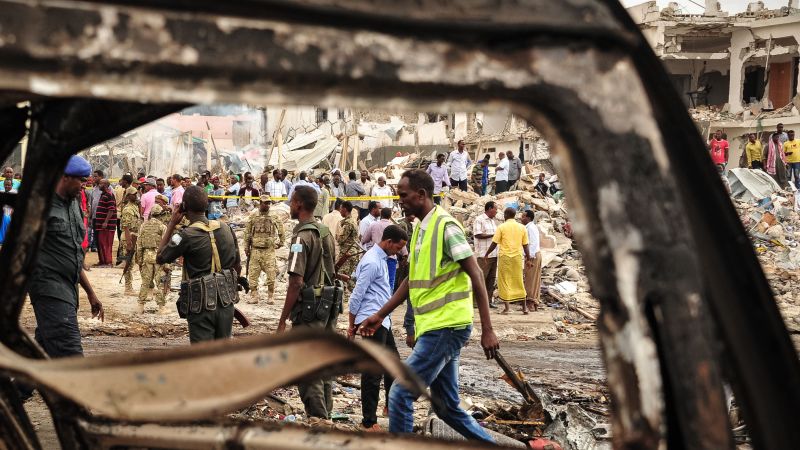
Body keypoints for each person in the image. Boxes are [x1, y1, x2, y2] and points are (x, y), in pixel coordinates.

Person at [356, 169, 499, 443]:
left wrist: (488, 329)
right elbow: (413, 280)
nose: (400, 201)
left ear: (421, 195)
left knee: (400, 393)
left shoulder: (447, 227)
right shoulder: (421, 228)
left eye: (404, 195)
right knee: (447, 408)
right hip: (433, 326)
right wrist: (379, 315)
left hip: (446, 327)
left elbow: (477, 274)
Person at [28, 155, 104, 359]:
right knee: (69, 352)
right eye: (80, 180)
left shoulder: (73, 203)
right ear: (64, 177)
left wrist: (90, 293)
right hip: (48, 288)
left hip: (69, 288)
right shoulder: (40, 206)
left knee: (42, 348)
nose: (84, 185)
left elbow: (71, 254)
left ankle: (18, 389)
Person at [277, 185, 340, 420]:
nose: (290, 205)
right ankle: (326, 415)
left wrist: (283, 320)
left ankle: (318, 419)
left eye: (292, 201)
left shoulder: (301, 237)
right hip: (328, 309)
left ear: (299, 205)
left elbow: (296, 282)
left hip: (310, 312)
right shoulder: (325, 232)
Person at [156, 186, 242, 343]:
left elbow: (160, 257)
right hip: (225, 302)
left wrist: (171, 223)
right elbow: (237, 266)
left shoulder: (185, 235)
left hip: (201, 305)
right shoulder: (226, 228)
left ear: (184, 206)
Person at [348, 225, 408, 432]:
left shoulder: (383, 258)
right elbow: (357, 293)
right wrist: (352, 324)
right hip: (371, 321)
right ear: (389, 242)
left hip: (382, 320)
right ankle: (368, 422)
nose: (398, 252)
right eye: (398, 247)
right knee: (373, 372)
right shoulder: (373, 261)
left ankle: (390, 407)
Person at [484, 208, 531, 314]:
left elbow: (494, 243)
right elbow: (525, 245)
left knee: (504, 281)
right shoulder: (522, 227)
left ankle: (507, 308)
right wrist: (528, 258)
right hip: (517, 257)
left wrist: (487, 254)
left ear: (505, 215)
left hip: (505, 257)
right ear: (514, 215)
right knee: (518, 280)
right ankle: (524, 308)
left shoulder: (501, 227)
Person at [244, 195, 285, 304]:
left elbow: (281, 229)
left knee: (271, 275)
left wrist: (281, 242)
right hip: (255, 250)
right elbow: (247, 232)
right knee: (253, 274)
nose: (267, 205)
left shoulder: (274, 216)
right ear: (260, 203)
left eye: (269, 203)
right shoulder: (253, 216)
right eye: (265, 203)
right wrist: (246, 247)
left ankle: (270, 296)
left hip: (269, 250)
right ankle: (254, 296)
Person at [362, 207, 407, 289]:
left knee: (375, 283)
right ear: (390, 216)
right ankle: (388, 301)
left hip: (376, 258)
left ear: (381, 215)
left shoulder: (373, 225)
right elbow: (402, 248)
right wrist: (404, 255)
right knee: (390, 283)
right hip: (391, 259)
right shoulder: (394, 227)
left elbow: (364, 240)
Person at [135, 204, 168, 314]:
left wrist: (139, 260)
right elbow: (165, 246)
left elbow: (139, 245)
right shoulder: (162, 227)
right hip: (158, 257)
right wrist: (166, 262)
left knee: (145, 282)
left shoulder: (143, 226)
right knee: (159, 282)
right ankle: (161, 308)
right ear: (160, 215)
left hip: (146, 256)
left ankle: (140, 306)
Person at [473, 201, 499, 308]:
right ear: (489, 208)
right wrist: (494, 235)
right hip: (484, 255)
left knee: (491, 280)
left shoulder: (493, 221)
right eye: (495, 209)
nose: (496, 211)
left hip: (494, 254)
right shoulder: (480, 220)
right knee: (481, 278)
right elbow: (478, 234)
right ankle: (476, 302)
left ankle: (488, 301)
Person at [119, 186, 142, 294]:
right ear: (128, 196)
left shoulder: (134, 207)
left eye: (136, 193)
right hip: (128, 238)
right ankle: (128, 288)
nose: (136, 195)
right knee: (129, 263)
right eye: (133, 194)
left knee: (133, 263)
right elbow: (126, 227)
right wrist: (128, 243)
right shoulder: (128, 209)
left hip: (134, 236)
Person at [337, 201, 360, 300]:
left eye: (341, 208)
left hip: (346, 253)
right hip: (352, 252)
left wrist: (337, 235)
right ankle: (358, 295)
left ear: (345, 209)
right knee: (347, 277)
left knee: (340, 276)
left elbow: (341, 239)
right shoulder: (353, 221)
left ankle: (341, 298)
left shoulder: (348, 223)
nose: (340, 211)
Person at [93, 179, 118, 267]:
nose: (99, 185)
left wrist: (106, 222)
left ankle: (108, 262)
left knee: (106, 243)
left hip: (107, 225)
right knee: (101, 243)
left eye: (101, 184)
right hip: (100, 225)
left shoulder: (109, 195)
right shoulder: (103, 195)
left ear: (106, 185)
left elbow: (111, 210)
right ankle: (102, 261)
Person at [521, 210, 542, 311]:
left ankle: (530, 302)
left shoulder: (531, 228)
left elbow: (533, 244)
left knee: (530, 279)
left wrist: (529, 258)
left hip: (532, 256)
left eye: (523, 216)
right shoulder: (529, 227)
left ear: (528, 218)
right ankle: (534, 302)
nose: (521, 218)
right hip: (532, 255)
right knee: (533, 279)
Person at [88, 169, 104, 252]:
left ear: (101, 177)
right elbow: (91, 204)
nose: (94, 178)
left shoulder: (108, 189)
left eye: (96, 176)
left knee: (101, 235)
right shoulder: (93, 189)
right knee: (95, 232)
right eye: (93, 176)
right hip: (94, 216)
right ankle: (94, 246)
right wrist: (90, 217)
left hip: (103, 217)